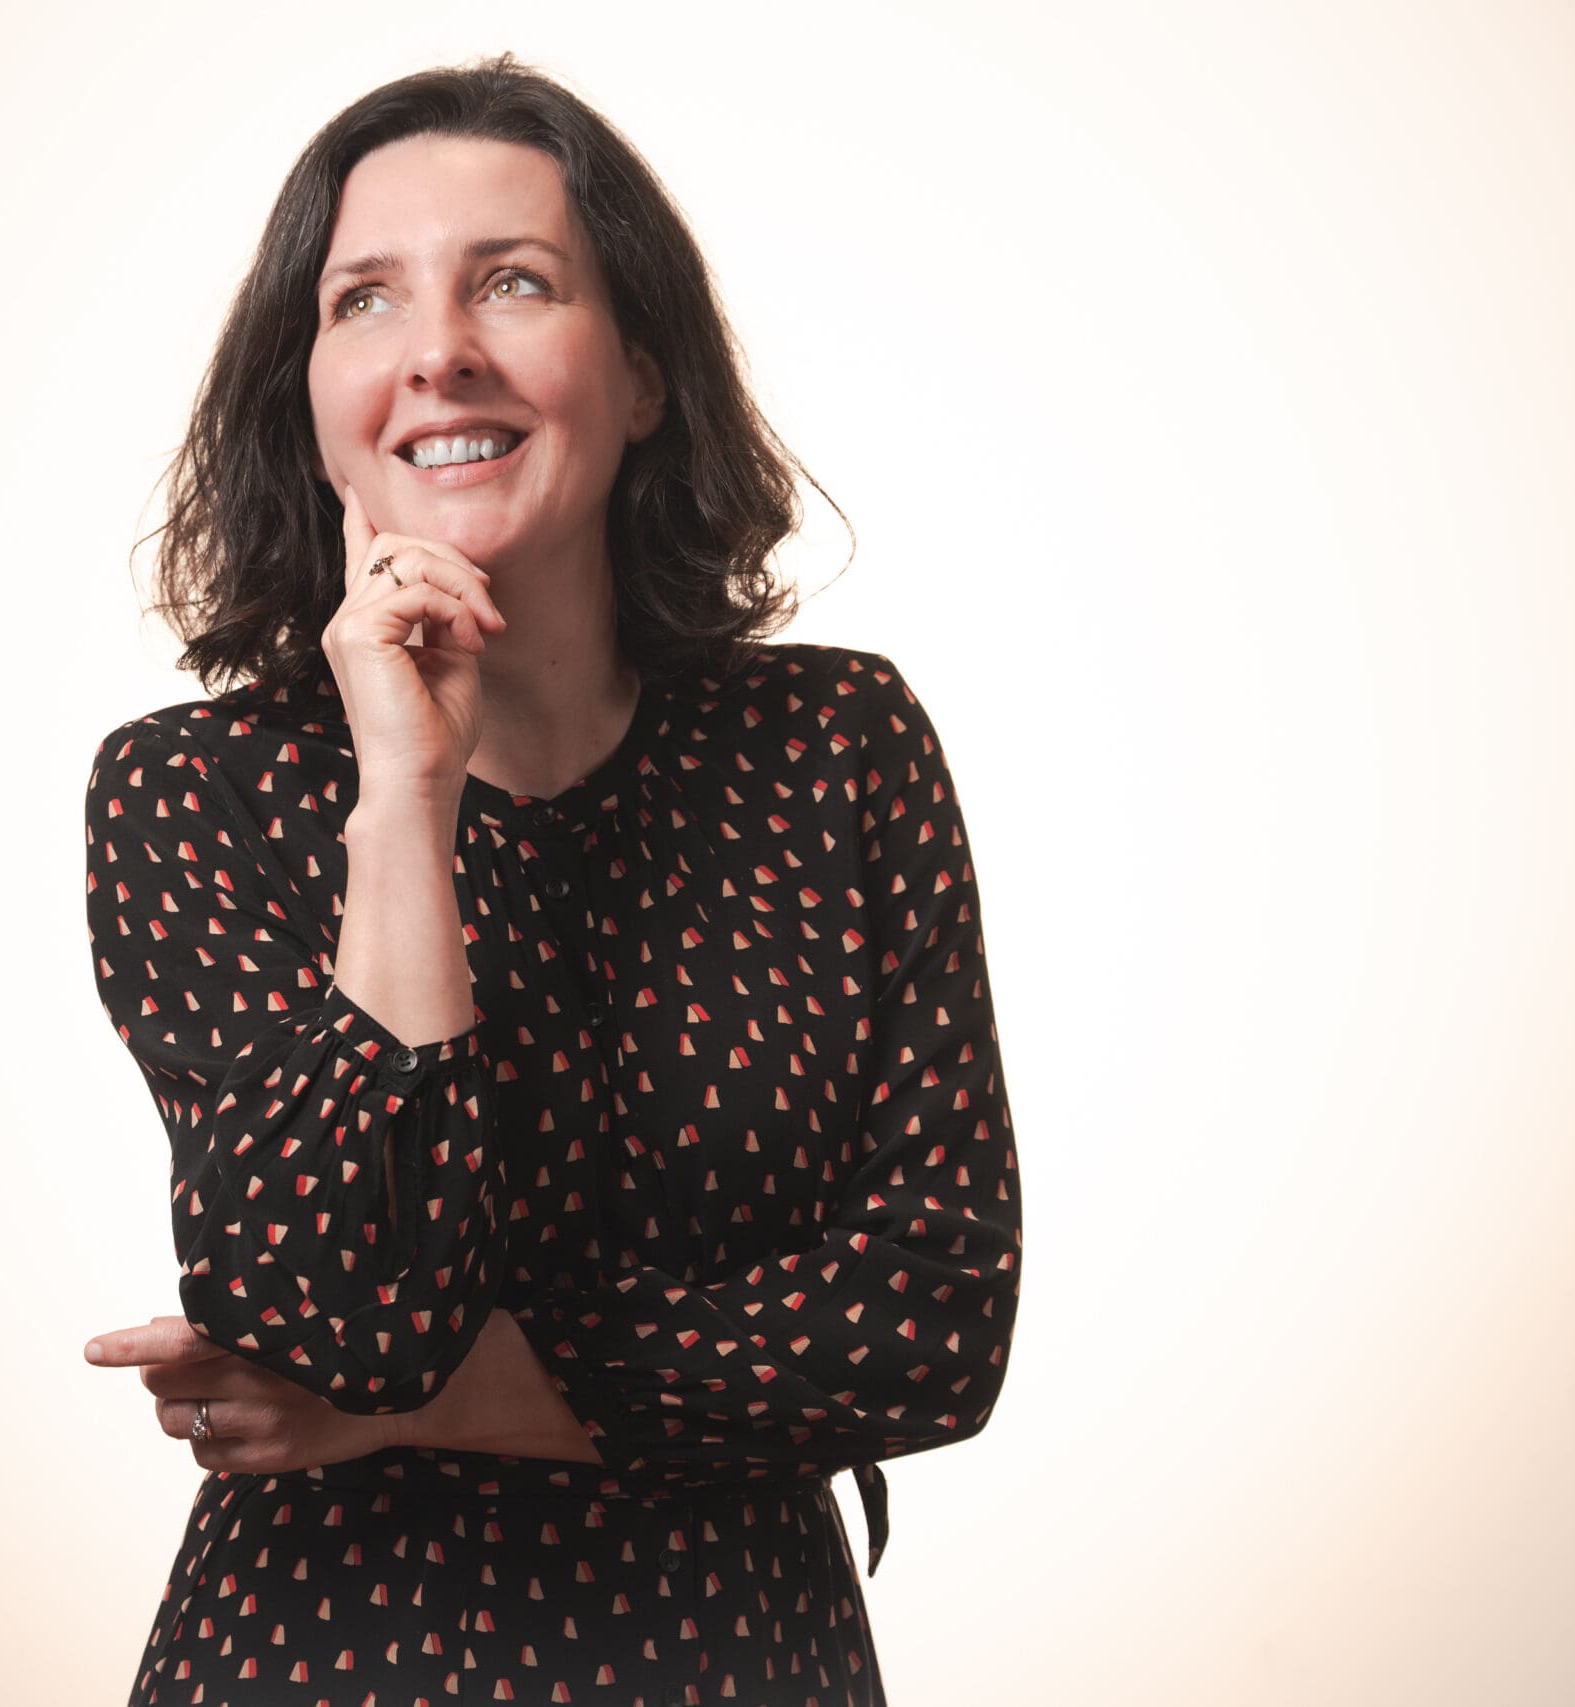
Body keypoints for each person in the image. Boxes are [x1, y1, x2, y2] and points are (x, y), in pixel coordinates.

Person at [79, 53, 1022, 1705]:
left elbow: (928, 1321)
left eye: (512, 282)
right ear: (306, 406)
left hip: (740, 1665)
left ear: (644, 374)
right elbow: (340, 1313)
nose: (439, 348)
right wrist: (404, 795)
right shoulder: (191, 792)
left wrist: (425, 1406)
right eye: (363, 299)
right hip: (323, 1663)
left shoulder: (837, 745)